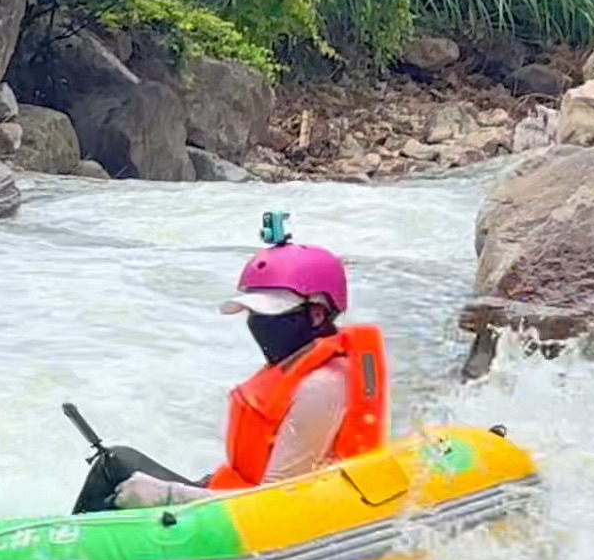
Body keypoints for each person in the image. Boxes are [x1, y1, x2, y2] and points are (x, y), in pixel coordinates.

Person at [75, 216, 389, 512]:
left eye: (269, 312)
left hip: (266, 521)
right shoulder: (292, 364)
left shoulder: (322, 386)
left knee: (130, 485)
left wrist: (170, 495)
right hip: (237, 496)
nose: (257, 323)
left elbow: (277, 502)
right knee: (115, 462)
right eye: (253, 312)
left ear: (317, 313)